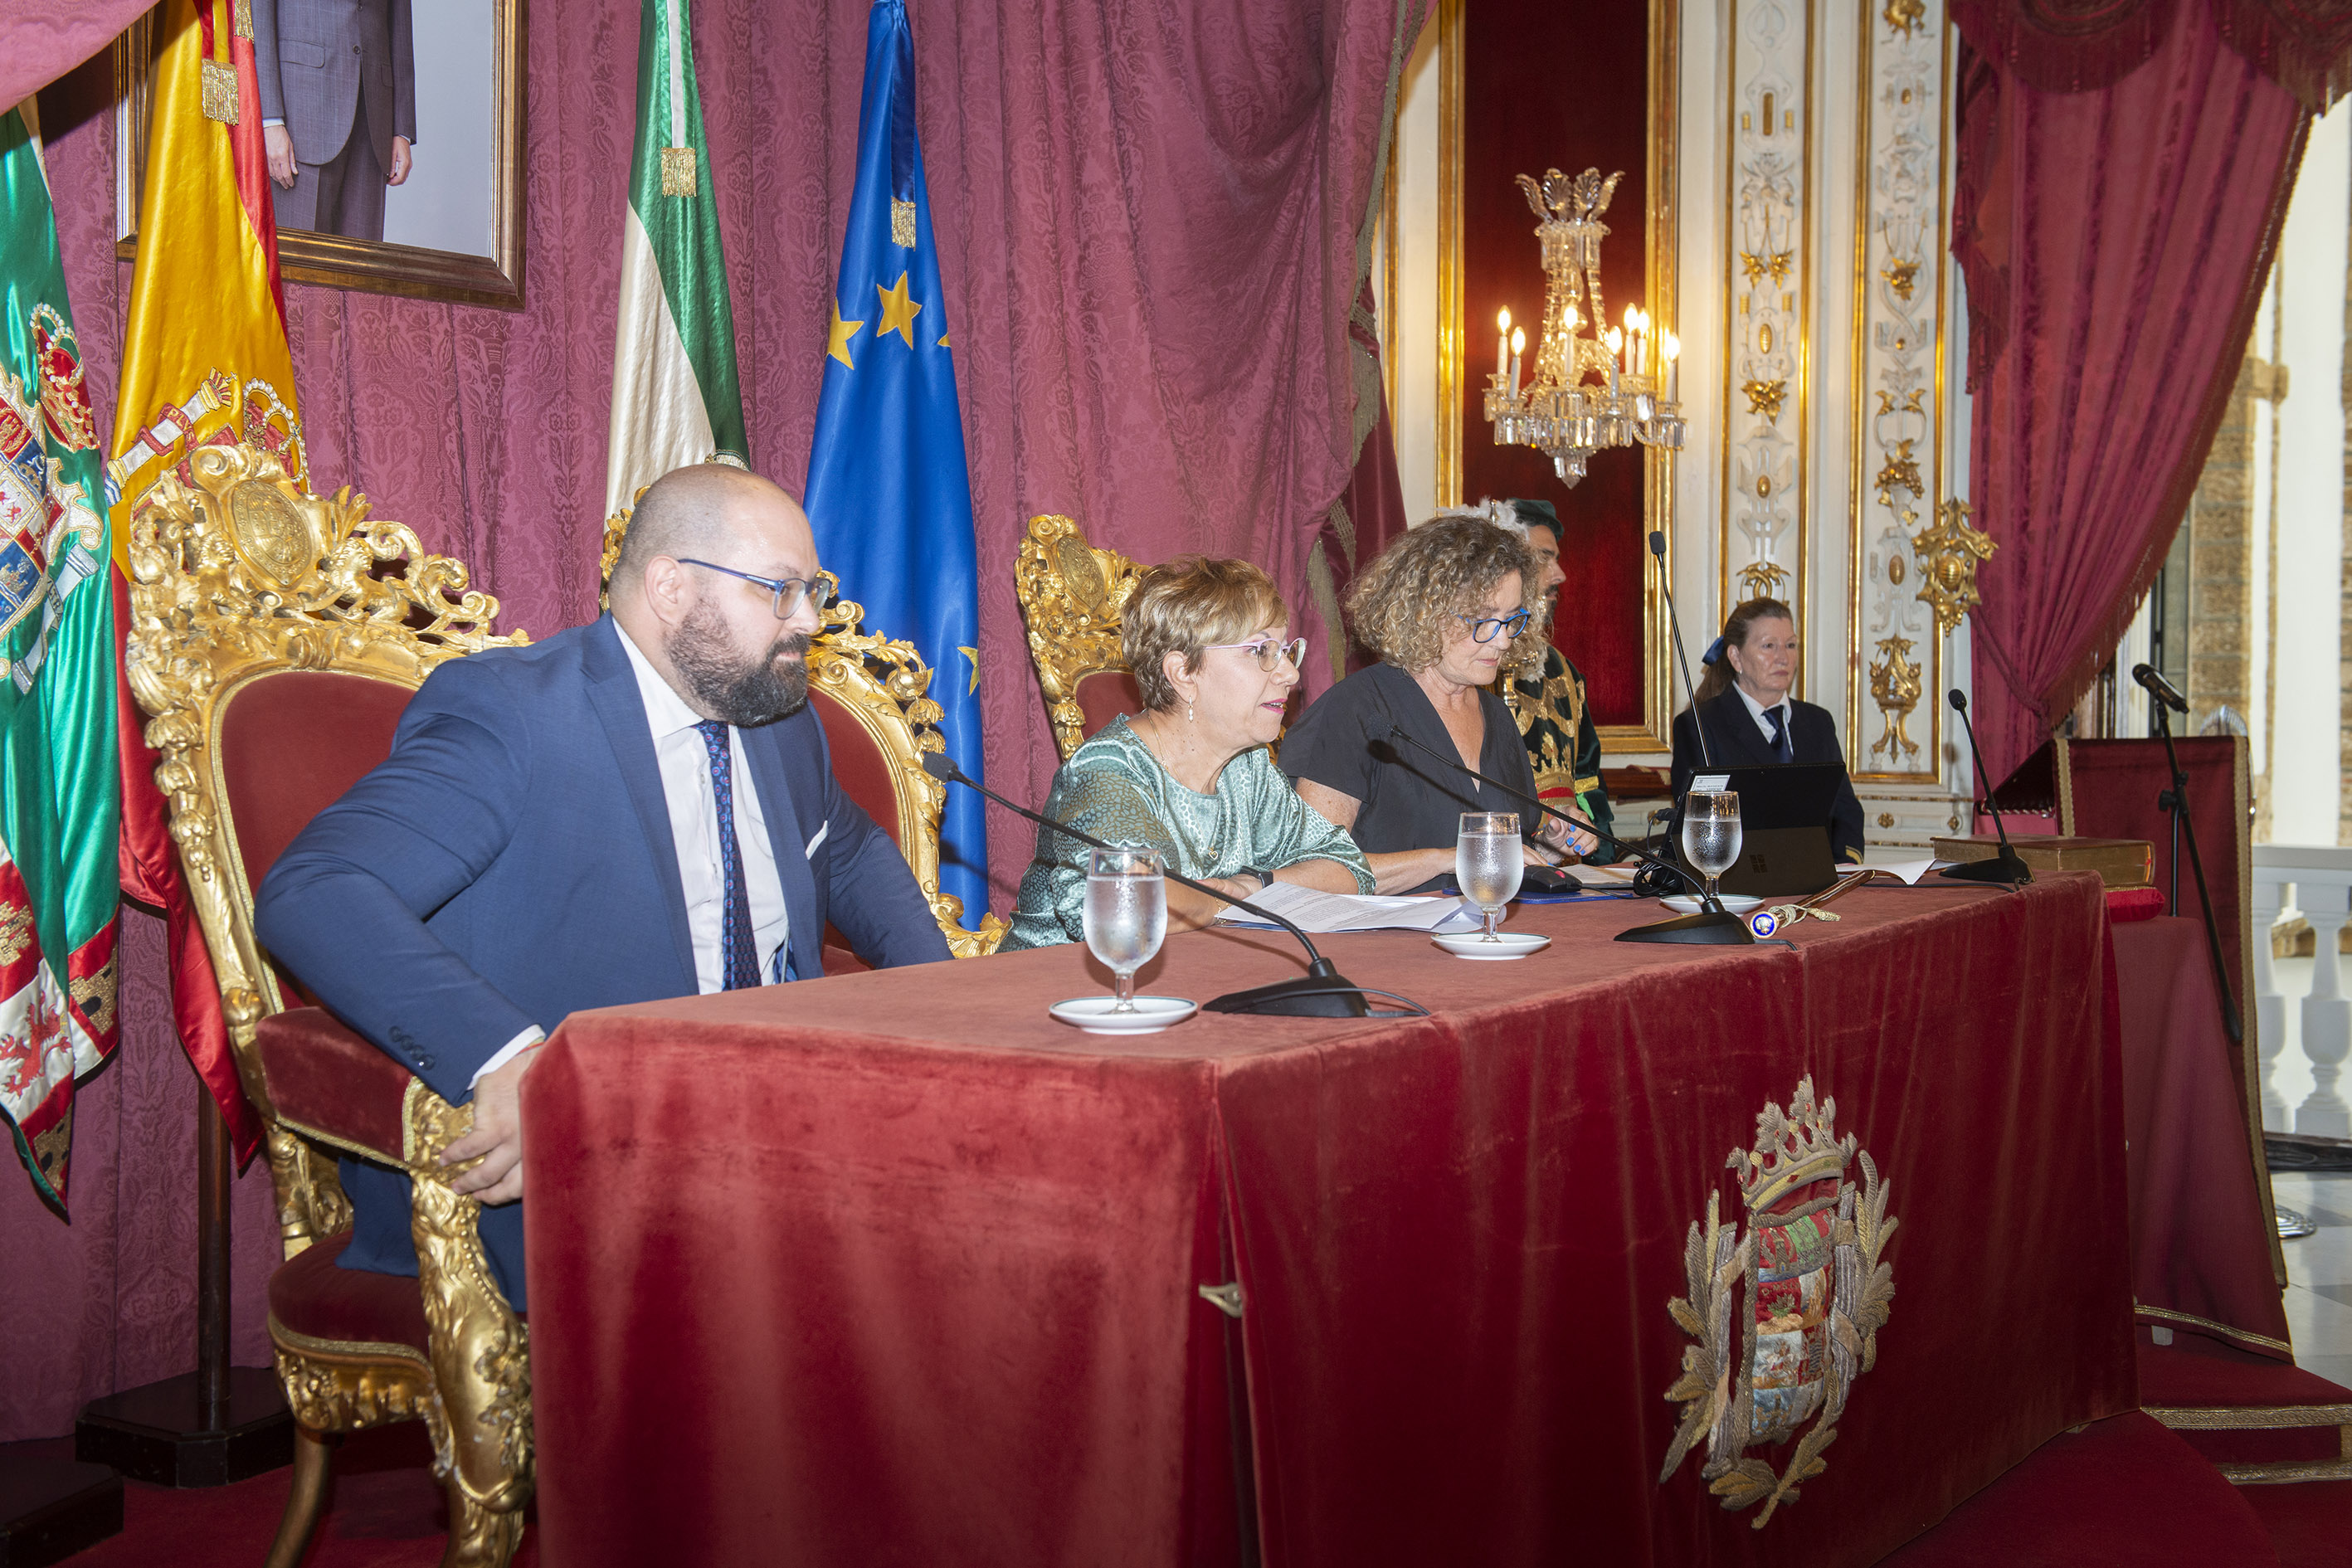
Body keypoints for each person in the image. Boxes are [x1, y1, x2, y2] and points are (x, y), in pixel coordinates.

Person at [253, 465, 952, 1307]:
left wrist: (944, 1005)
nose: (809, 619)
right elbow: (319, 887)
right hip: (598, 1158)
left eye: (813, 590)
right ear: (670, 587)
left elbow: (845, 852)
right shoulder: (514, 715)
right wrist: (507, 1059)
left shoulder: (779, 721)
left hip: (783, 1120)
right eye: (782, 590)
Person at [1002, 558, 1381, 949]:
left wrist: (1254, 885)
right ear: (1184, 674)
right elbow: (1127, 908)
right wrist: (1230, 900)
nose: (1290, 674)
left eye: (1285, 651)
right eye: (1261, 651)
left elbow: (1349, 867)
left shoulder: (1245, 768)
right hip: (1058, 995)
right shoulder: (1106, 773)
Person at [1278, 516, 1594, 894]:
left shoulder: (1496, 715)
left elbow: (1497, 855)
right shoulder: (1354, 710)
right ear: (1424, 614)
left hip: (1482, 937)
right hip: (1378, 944)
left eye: (1511, 619)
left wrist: (1549, 848)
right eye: (1483, 620)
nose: (1504, 640)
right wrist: (1446, 858)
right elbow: (1312, 873)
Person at [1667, 596, 1866, 865]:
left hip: (1820, 880)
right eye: (1768, 646)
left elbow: (1845, 810)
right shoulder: (1700, 725)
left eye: (1791, 645)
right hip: (1743, 883)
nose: (1783, 657)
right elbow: (1701, 825)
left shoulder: (1818, 722)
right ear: (1736, 657)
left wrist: (1846, 866)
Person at [1494, 498, 1619, 862]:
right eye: (1543, 557)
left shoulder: (1564, 671)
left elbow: (1587, 781)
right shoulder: (1473, 671)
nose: (1560, 574)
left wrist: (1603, 868)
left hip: (1571, 868)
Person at [252, 0, 416, 241]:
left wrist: (401, 130)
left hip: (373, 119)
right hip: (301, 114)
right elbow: (259, 15)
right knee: (300, 266)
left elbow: (401, 21)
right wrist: (270, 119)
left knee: (361, 267)